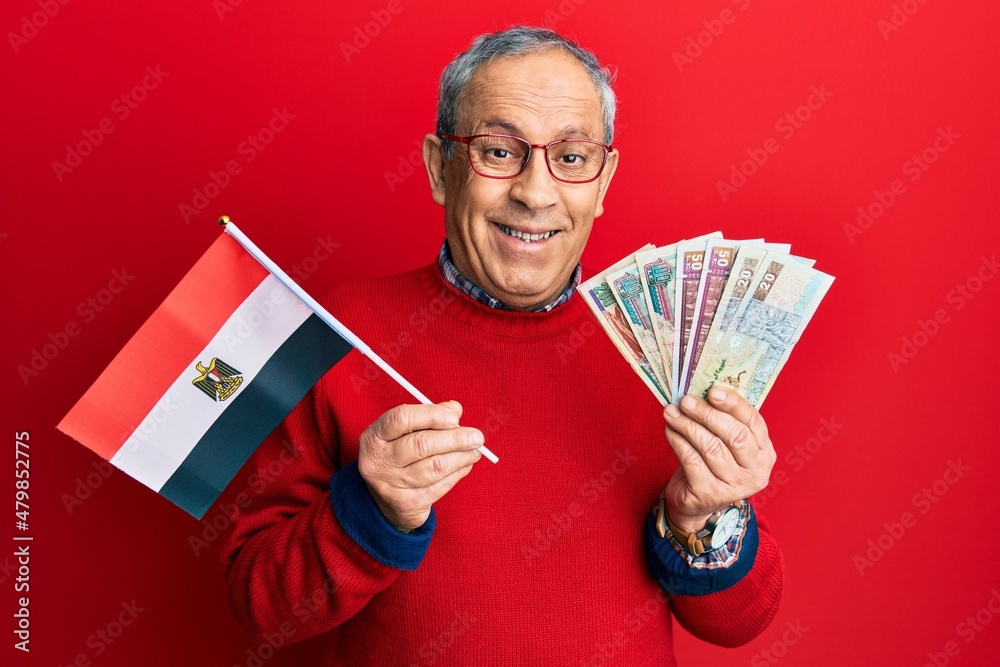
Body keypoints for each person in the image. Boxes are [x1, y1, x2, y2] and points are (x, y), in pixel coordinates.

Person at [222, 26, 783, 666]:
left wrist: (704, 518)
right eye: (498, 151)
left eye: (571, 159)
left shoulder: (670, 348)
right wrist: (373, 512)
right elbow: (257, 607)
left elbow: (741, 623)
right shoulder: (338, 331)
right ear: (440, 167)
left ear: (602, 182)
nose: (535, 192)